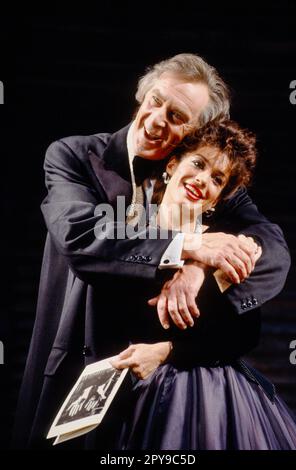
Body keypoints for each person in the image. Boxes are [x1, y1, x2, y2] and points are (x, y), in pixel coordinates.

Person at [12, 53, 290, 449]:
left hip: (165, 384)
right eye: (155, 100)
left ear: (197, 132)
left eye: (178, 116)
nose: (157, 119)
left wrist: (196, 271)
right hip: (82, 367)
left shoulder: (209, 179)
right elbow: (80, 236)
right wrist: (190, 246)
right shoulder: (72, 156)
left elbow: (273, 248)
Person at [110, 120, 296, 450]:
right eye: (198, 163)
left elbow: (242, 335)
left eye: (217, 179)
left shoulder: (225, 246)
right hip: (122, 388)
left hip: (209, 395)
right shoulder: (129, 230)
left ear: (216, 200)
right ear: (172, 164)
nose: (202, 180)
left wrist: (168, 351)